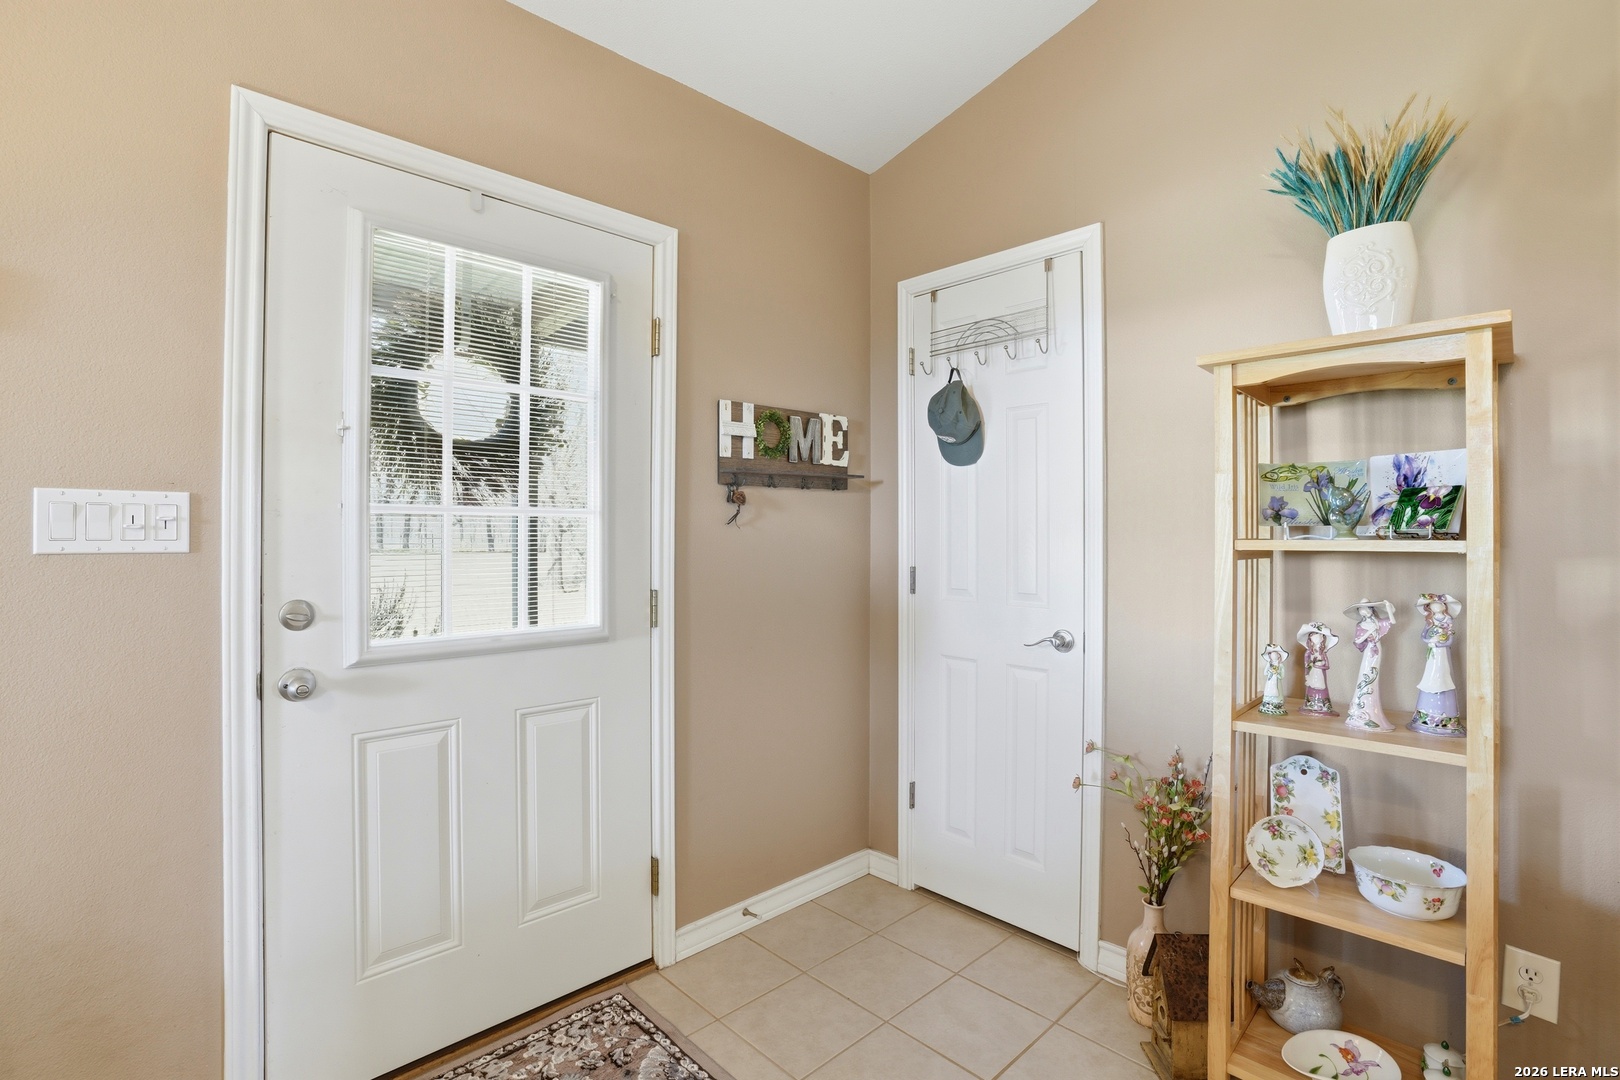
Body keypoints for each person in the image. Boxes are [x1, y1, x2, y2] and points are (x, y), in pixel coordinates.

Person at [1411, 593, 1464, 736]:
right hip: (1432, 654)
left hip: (1441, 654)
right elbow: (1424, 636)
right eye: (1432, 605)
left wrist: (1439, 641)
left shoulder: (1447, 621)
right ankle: (1425, 716)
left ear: (1444, 606)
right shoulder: (1430, 621)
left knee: (1444, 676)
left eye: (1438, 604)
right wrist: (1431, 640)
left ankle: (1445, 720)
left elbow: (1449, 640)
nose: (1435, 606)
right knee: (1430, 676)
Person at [1343, 599, 1395, 731]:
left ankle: (1371, 711)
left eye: (1365, 609)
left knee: (1374, 674)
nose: (1363, 611)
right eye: (1360, 610)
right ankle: (1360, 710)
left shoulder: (1377, 622)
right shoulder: (1361, 625)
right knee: (1365, 674)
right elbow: (1358, 640)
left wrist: (1388, 607)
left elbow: (1391, 621)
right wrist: (1369, 632)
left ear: (1371, 610)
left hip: (1376, 649)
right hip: (1368, 650)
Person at [1296, 621, 1339, 717]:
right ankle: (1310, 704)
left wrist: (1319, 666)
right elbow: (1306, 665)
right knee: (1312, 688)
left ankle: (1323, 705)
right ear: (1310, 638)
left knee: (1321, 687)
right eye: (1314, 634)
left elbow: (1327, 666)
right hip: (1312, 675)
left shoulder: (1322, 653)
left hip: (1320, 674)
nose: (1317, 636)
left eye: (1320, 634)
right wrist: (1307, 675)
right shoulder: (1308, 653)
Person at [1259, 643, 1288, 715]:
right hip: (1270, 681)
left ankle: (1277, 704)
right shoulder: (1269, 664)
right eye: (1272, 654)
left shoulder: (1280, 665)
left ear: (1279, 656)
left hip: (1277, 681)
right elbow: (1265, 673)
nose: (1274, 656)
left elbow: (1282, 675)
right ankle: (1268, 703)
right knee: (1269, 690)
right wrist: (1270, 670)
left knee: (1277, 691)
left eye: (1275, 654)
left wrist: (1277, 673)